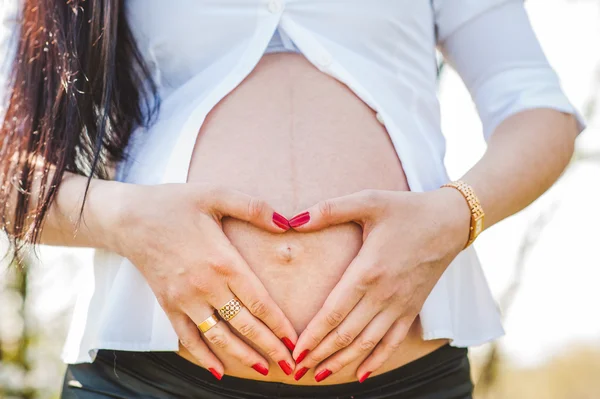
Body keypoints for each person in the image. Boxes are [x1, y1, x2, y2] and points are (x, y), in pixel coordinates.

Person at [0, 0, 584, 398]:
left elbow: (537, 108)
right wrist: (126, 219)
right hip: (152, 373)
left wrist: (455, 215)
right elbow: (10, 167)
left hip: (406, 375)